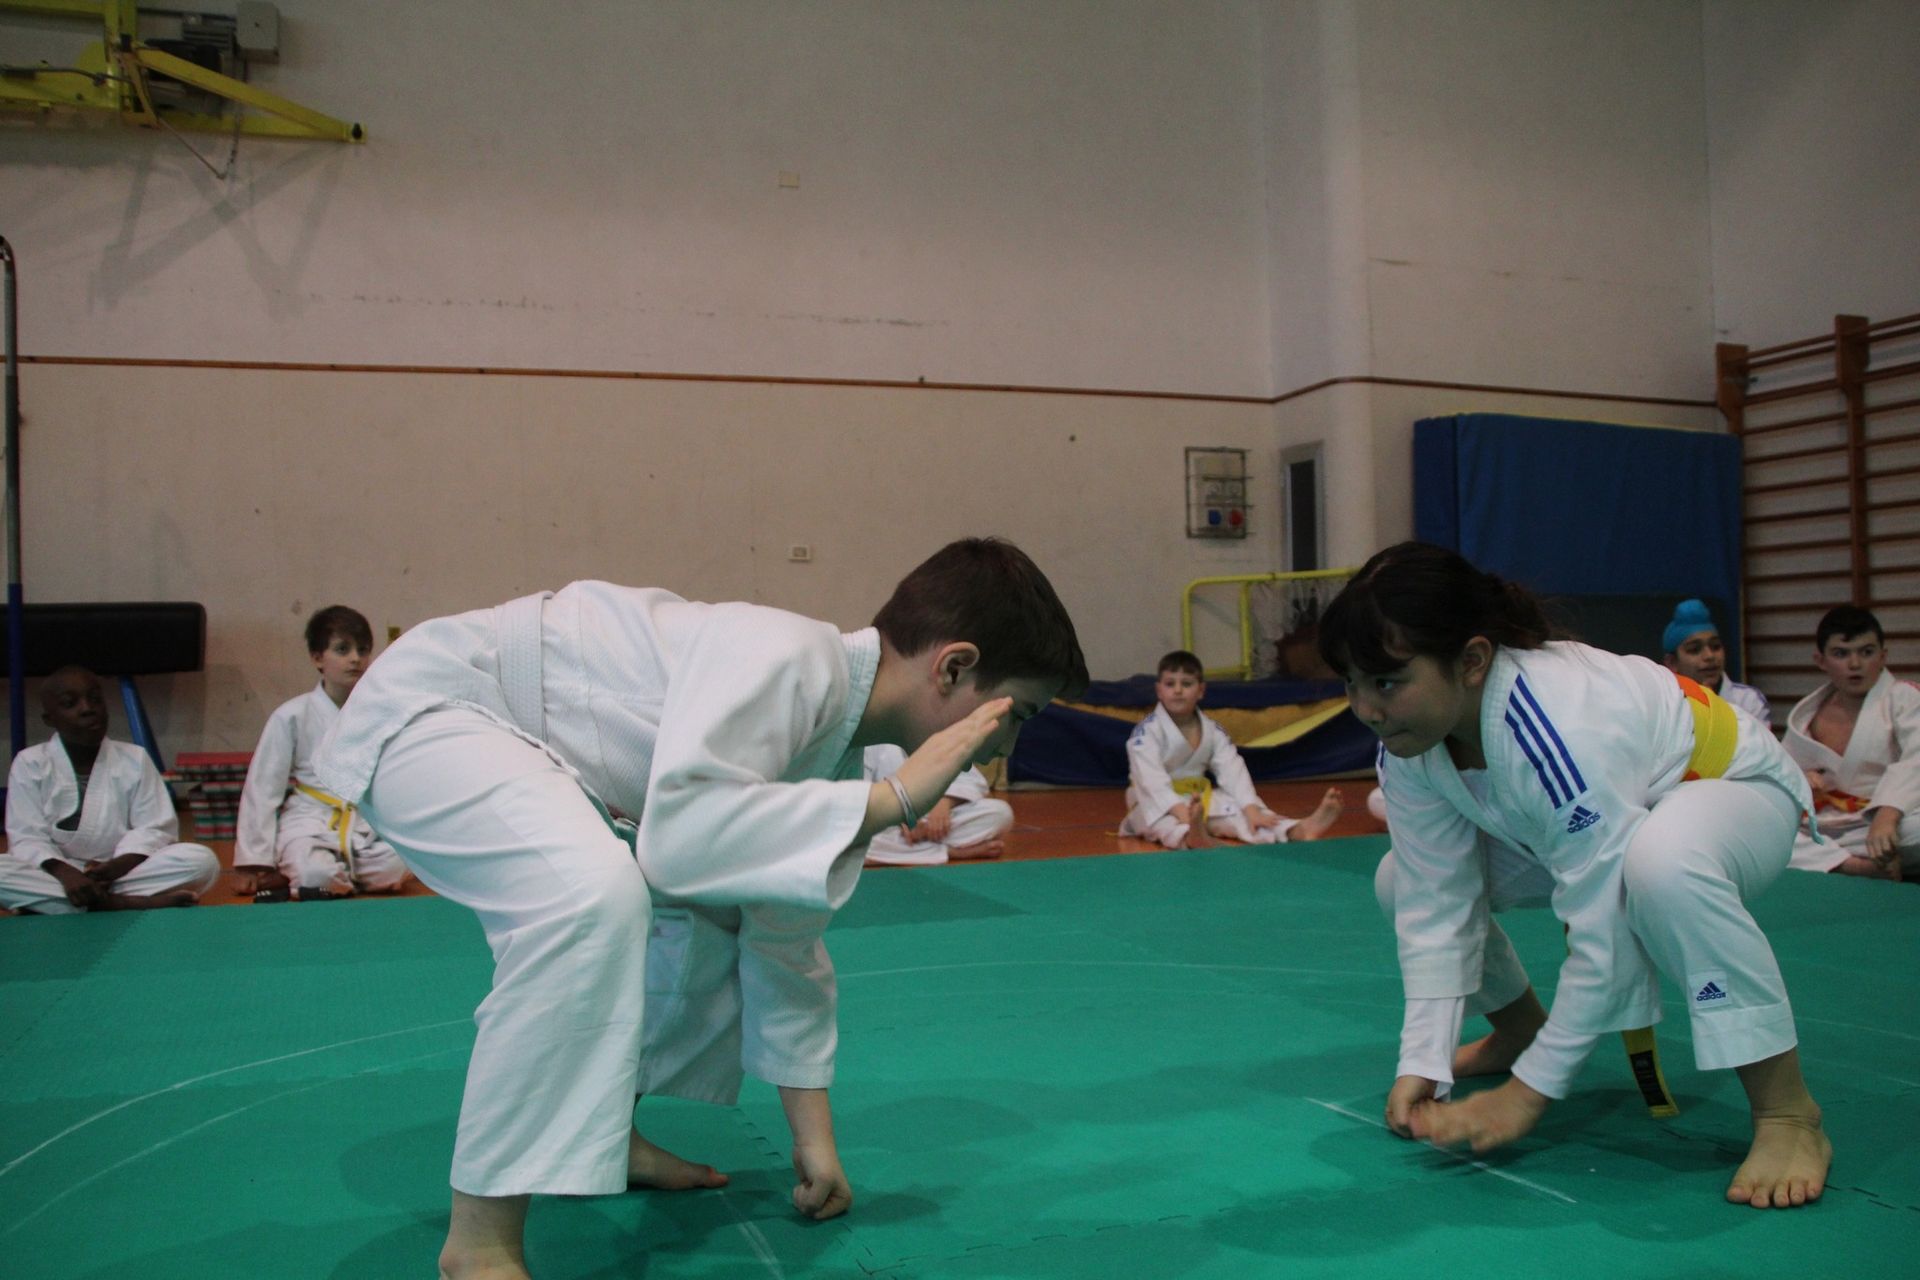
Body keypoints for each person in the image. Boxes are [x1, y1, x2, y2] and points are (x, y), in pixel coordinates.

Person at [312, 538, 1086, 1280]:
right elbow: (680, 841)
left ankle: (604, 1129)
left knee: (714, 917)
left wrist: (813, 1140)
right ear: (954, 667)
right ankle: (478, 1248)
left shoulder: (836, 754)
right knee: (591, 899)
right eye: (1016, 714)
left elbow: (782, 935)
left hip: (533, 749)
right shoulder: (790, 657)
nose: (1004, 746)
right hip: (444, 708)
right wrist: (891, 802)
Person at [1321, 542, 1830, 1209]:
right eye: (1352, 683)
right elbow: (1435, 898)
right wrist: (1423, 1057)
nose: (1366, 708)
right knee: (1399, 878)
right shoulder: (1411, 745)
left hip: (1733, 789)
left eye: (1386, 682)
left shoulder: (1553, 723)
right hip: (1624, 809)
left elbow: (1605, 921)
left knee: (1660, 866)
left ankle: (1788, 1113)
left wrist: (1529, 1092)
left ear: (1471, 661)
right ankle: (1519, 1030)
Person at [1, 666, 220, 913]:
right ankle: (126, 903)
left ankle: (73, 904)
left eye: (95, 699)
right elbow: (27, 837)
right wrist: (66, 873)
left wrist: (117, 866)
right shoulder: (30, 763)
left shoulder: (135, 758)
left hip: (122, 871)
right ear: (49, 719)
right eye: (70, 703)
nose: (87, 709)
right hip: (57, 874)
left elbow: (154, 828)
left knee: (202, 861)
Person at [233, 606, 411, 900]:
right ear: (317, 658)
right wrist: (253, 861)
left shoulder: (382, 713)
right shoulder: (292, 715)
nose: (355, 658)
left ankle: (320, 877)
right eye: (342, 649)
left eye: (363, 650)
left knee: (397, 866)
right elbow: (263, 788)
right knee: (315, 874)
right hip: (310, 819)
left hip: (365, 822)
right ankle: (313, 873)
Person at [1119, 650, 1341, 849]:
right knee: (1164, 823)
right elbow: (1151, 780)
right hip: (1153, 802)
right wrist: (1180, 811)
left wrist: (1250, 808)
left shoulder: (1212, 730)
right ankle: (1192, 836)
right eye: (1170, 684)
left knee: (1243, 812)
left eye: (1186, 684)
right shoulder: (1145, 733)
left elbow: (1232, 769)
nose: (1178, 690)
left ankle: (1295, 830)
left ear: (1201, 690)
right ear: (1159, 690)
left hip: (1197, 799)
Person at [1781, 604, 1920, 880]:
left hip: (1890, 821)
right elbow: (1780, 771)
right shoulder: (1807, 715)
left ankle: (1836, 859)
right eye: (1841, 654)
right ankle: (1857, 866)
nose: (1855, 664)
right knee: (1765, 827)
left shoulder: (1905, 697)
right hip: (1823, 824)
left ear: (1883, 656)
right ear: (1821, 660)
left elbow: (1917, 759)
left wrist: (1888, 813)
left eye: (1866, 652)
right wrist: (1800, 780)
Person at [861, 744, 1012, 865]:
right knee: (855, 842)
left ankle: (914, 849)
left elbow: (972, 780)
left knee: (1001, 813)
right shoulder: (868, 743)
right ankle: (951, 852)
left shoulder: (930, 729)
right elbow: (861, 794)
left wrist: (945, 802)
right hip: (890, 823)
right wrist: (900, 814)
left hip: (933, 819)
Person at [1662, 599, 1771, 725]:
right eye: (1694, 649)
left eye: (1715, 646)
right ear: (1672, 662)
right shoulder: (1665, 705)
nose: (1709, 656)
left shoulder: (1748, 700)